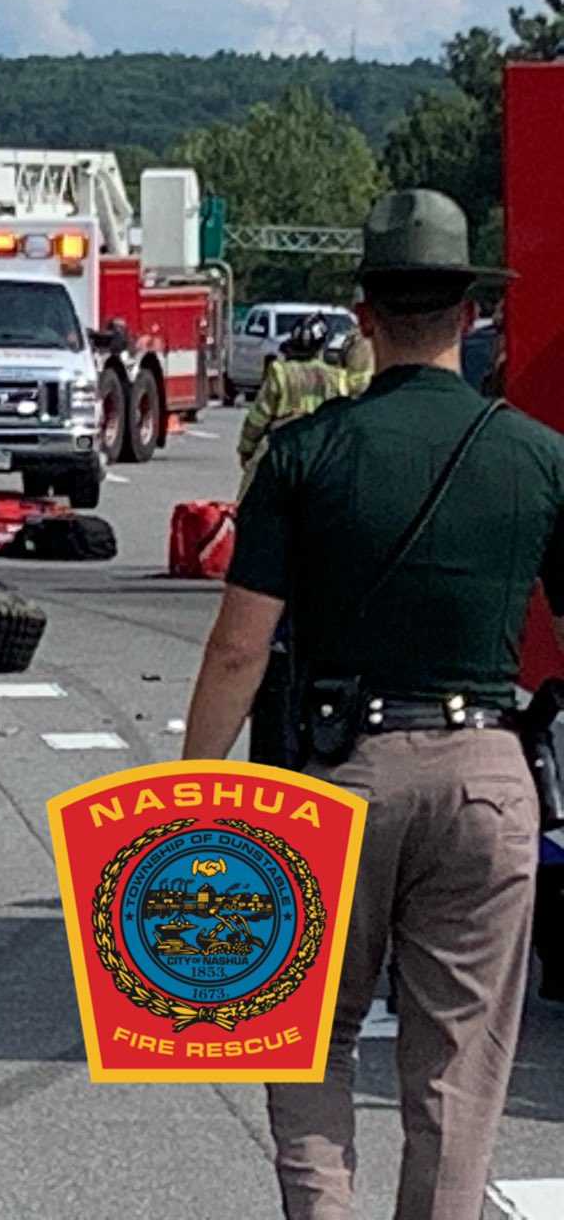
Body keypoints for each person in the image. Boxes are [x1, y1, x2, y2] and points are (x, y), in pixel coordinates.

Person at [180, 189, 564, 1220]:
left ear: (362, 312)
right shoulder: (538, 458)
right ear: (470, 313)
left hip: (331, 779)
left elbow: (236, 650)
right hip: (484, 774)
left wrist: (190, 786)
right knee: (460, 1069)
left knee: (301, 1037)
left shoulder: (303, 454)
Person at [236, 314, 372, 500]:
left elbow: (258, 418)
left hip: (280, 447)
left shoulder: (280, 373)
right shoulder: (338, 379)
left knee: (249, 499)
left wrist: (247, 449)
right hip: (321, 453)